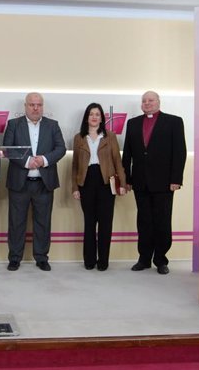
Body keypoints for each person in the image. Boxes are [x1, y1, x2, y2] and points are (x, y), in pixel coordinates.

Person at [122, 91, 186, 275]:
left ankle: (161, 260)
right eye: (144, 101)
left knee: (162, 222)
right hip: (140, 182)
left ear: (159, 102)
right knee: (143, 222)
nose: (147, 103)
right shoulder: (132, 123)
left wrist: (176, 179)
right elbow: (127, 154)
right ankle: (143, 259)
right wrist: (126, 179)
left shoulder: (174, 122)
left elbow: (179, 152)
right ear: (141, 105)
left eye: (151, 100)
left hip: (165, 183)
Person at [3, 92, 65, 272]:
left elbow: (61, 148)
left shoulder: (53, 125)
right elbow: (8, 148)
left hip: (44, 183)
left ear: (42, 106)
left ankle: (41, 257)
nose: (36, 108)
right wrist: (26, 161)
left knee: (43, 222)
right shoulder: (14, 124)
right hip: (19, 183)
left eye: (39, 104)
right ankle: (15, 258)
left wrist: (44, 159)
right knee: (16, 222)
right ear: (25, 106)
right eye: (32, 104)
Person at [72, 103, 126, 271]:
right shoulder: (79, 137)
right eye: (91, 114)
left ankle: (103, 261)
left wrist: (122, 184)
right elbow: (74, 166)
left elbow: (118, 161)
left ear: (102, 118)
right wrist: (75, 187)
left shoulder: (110, 136)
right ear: (86, 118)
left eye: (97, 114)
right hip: (86, 181)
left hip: (106, 182)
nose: (94, 117)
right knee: (89, 222)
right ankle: (89, 260)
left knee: (105, 223)